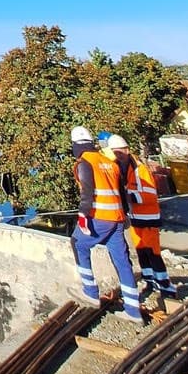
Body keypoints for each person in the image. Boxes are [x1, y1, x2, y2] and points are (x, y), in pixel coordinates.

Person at [70, 126, 143, 322]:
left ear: (76, 146)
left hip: (99, 217)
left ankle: (90, 292)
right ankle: (133, 310)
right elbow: (121, 189)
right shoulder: (109, 162)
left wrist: (83, 215)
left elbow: (87, 190)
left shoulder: (84, 163)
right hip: (117, 219)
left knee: (78, 244)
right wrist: (126, 213)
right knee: (122, 262)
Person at [107, 134, 179, 299]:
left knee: (153, 253)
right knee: (141, 252)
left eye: (120, 152)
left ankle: (166, 286)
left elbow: (149, 194)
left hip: (149, 218)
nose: (118, 156)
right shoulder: (118, 168)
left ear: (127, 150)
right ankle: (150, 281)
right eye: (114, 153)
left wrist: (126, 196)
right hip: (134, 218)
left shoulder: (140, 169)